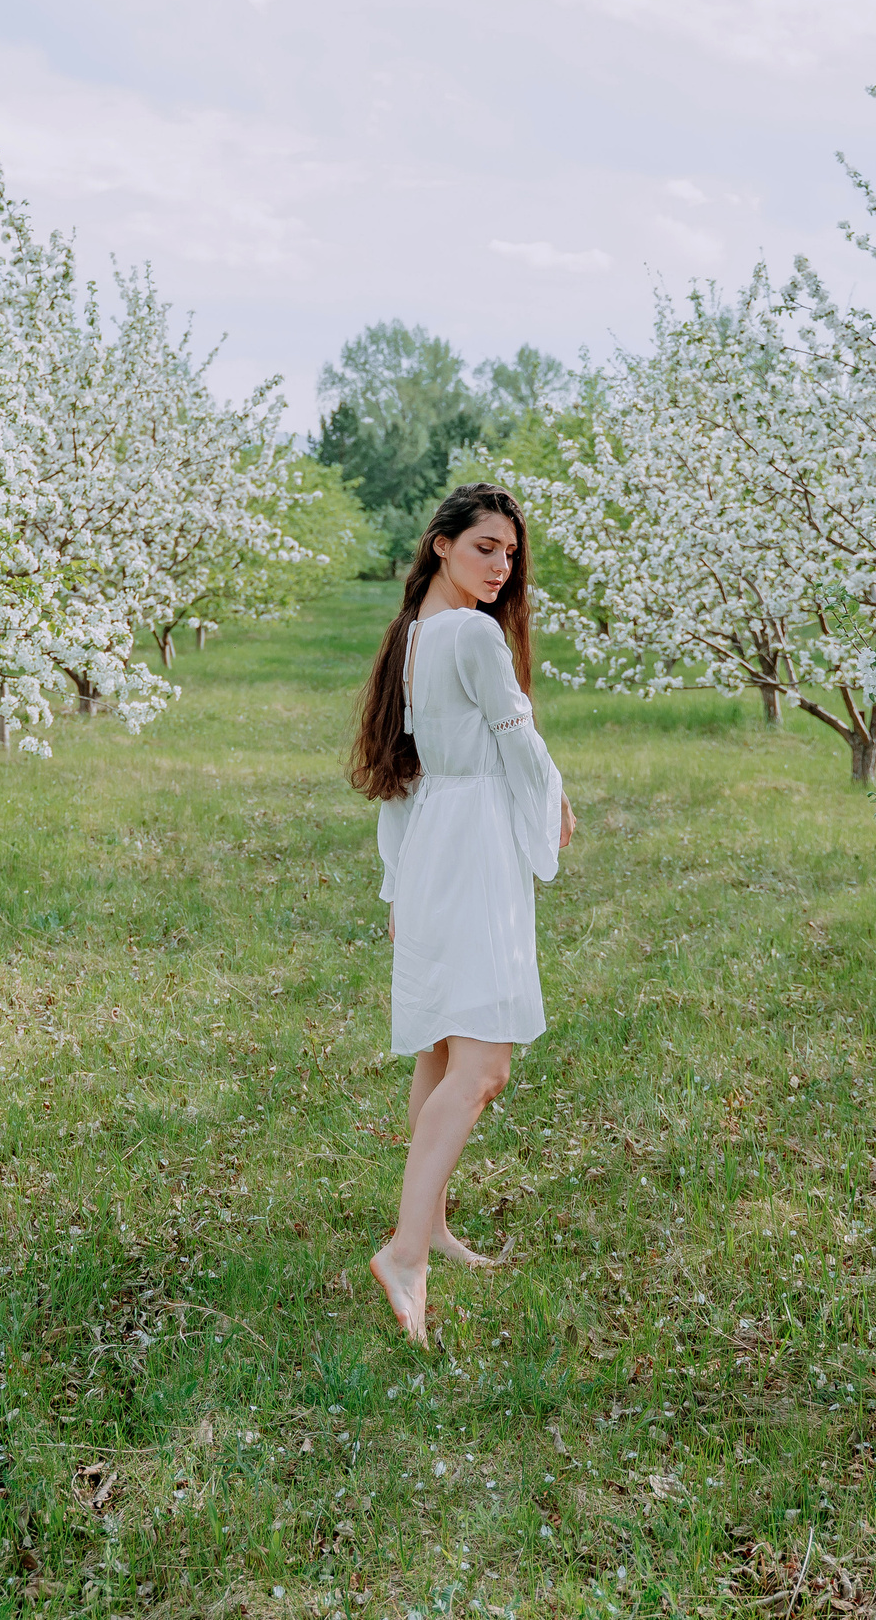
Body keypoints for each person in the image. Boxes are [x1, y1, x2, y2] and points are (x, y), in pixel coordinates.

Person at [348, 482, 575, 1346]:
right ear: (440, 544)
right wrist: (552, 803)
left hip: (434, 840)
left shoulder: (411, 635)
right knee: (483, 1066)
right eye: (485, 546)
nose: (500, 566)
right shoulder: (473, 634)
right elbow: (517, 737)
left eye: (510, 554)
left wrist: (398, 880)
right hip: (471, 841)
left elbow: (405, 767)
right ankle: (406, 1249)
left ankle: (431, 1222)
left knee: (443, 1046)